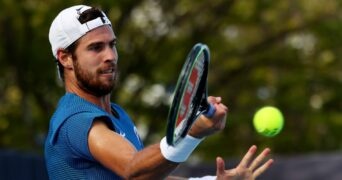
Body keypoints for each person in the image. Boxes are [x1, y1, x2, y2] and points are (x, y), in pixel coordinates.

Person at [45, 5, 273, 180]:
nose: (111, 56)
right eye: (96, 47)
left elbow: (150, 176)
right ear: (65, 58)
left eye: (112, 45)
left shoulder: (117, 114)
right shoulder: (74, 121)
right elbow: (133, 169)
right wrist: (191, 133)